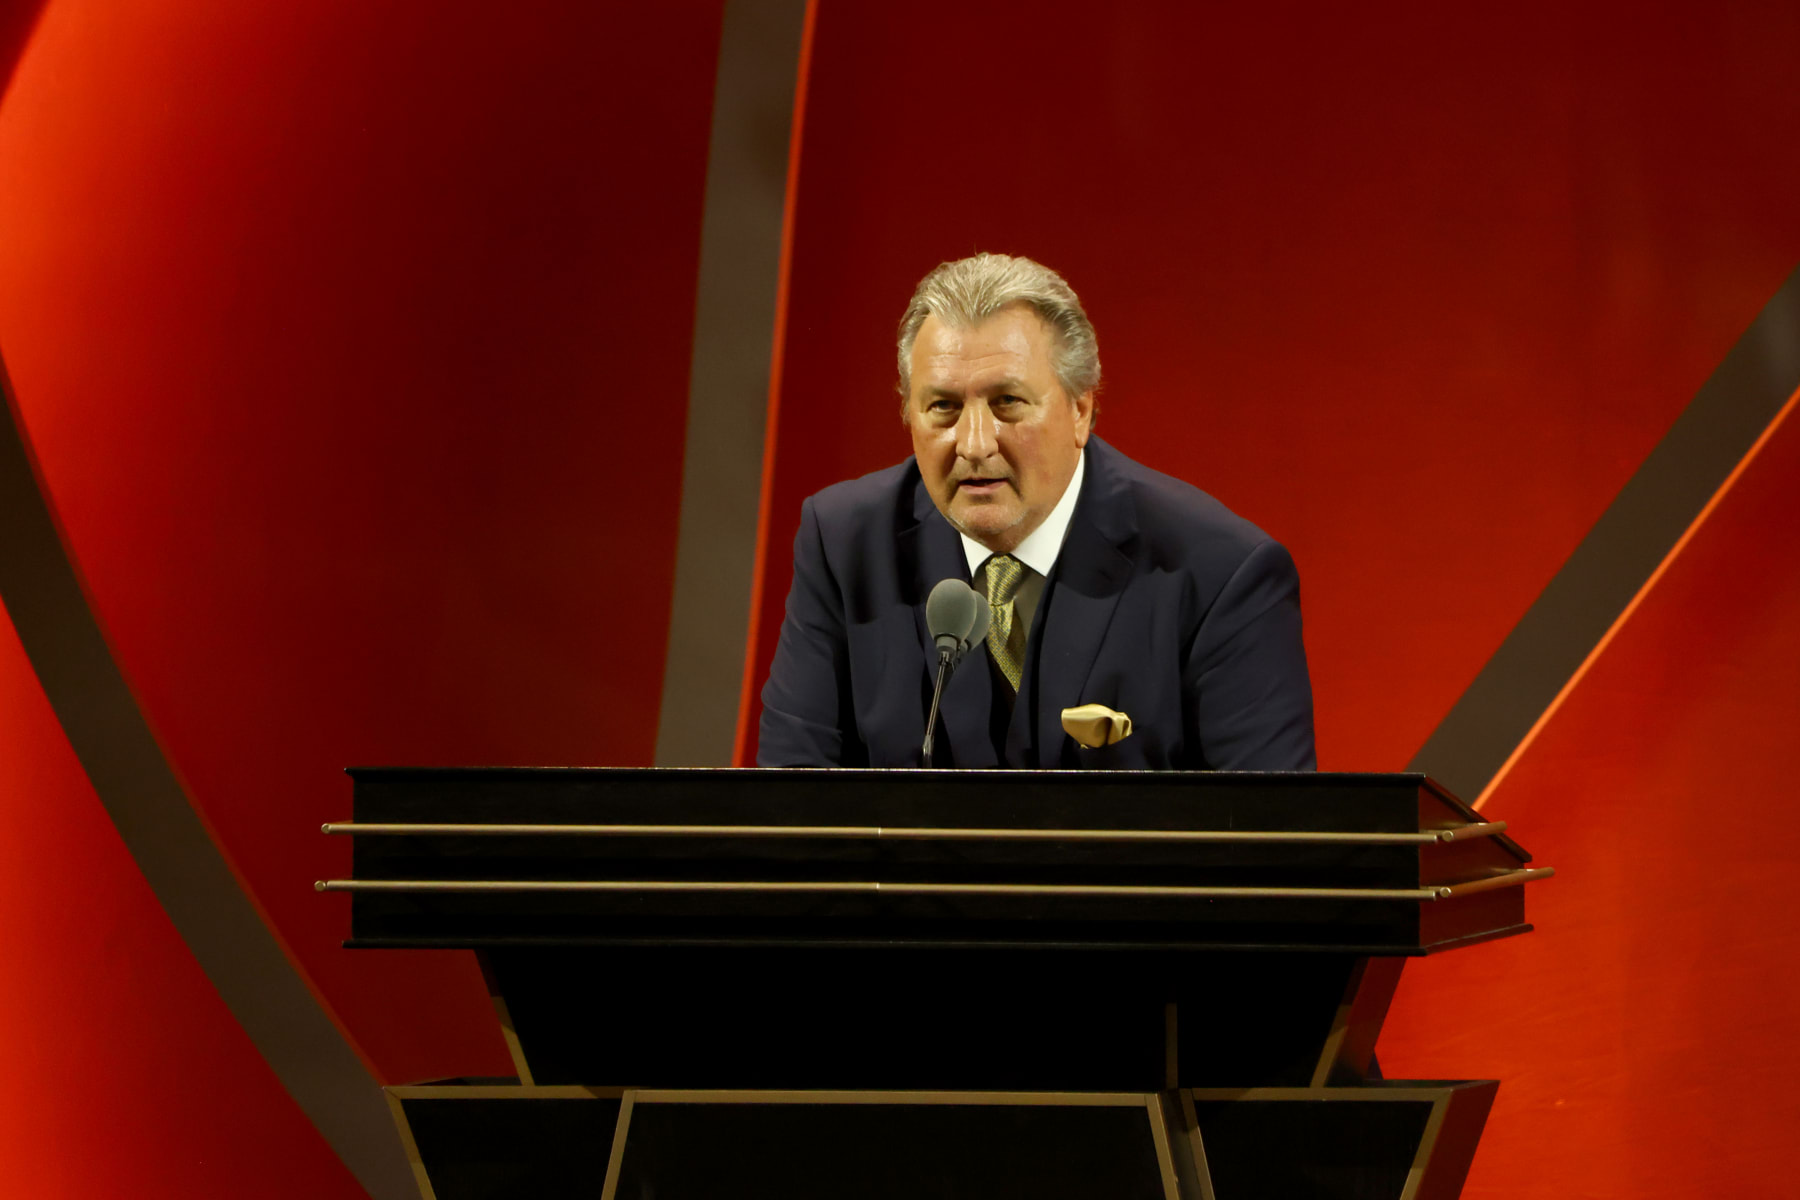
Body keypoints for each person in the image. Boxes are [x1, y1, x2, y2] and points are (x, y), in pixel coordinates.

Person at [757, 253, 1314, 770]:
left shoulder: (1221, 574)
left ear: (1080, 409)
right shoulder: (844, 545)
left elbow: (1272, 842)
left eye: (1008, 403)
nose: (974, 444)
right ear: (908, 413)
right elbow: (788, 814)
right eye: (943, 407)